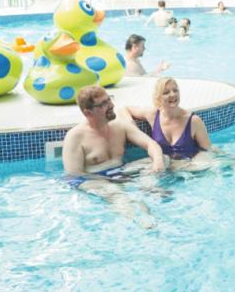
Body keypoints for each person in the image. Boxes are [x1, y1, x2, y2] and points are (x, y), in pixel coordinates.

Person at [62, 86, 166, 228]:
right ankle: (144, 223)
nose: (111, 105)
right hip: (94, 179)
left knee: (163, 158)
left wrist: (158, 162)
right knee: (115, 193)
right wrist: (109, 180)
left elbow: (150, 144)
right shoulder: (75, 137)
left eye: (109, 99)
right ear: (88, 113)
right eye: (103, 104)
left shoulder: (119, 125)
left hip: (120, 172)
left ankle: (148, 188)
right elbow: (73, 175)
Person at [120, 77, 213, 172]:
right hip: (162, 167)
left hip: (188, 169)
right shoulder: (153, 115)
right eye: (166, 92)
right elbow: (124, 109)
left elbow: (207, 150)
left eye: (175, 90)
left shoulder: (193, 121)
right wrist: (131, 125)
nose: (172, 94)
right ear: (158, 98)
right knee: (125, 170)